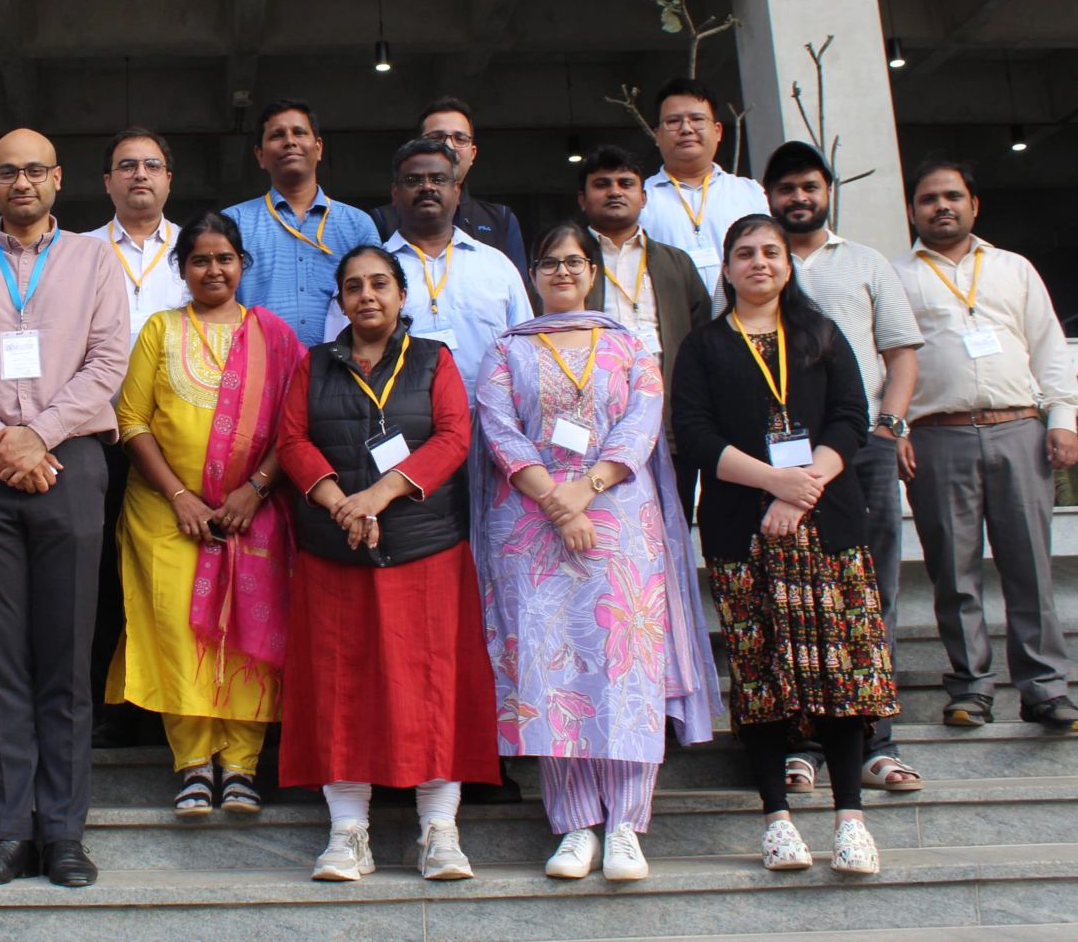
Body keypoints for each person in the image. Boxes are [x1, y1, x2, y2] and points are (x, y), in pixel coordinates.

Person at [472, 222, 719, 883]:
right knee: (551, 670)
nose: (562, 271)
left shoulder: (628, 344)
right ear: (532, 273)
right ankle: (575, 824)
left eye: (574, 261)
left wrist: (584, 491)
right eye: (549, 262)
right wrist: (556, 501)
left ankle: (627, 826)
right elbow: (499, 429)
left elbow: (642, 423)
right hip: (530, 526)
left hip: (619, 518)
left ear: (592, 271)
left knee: (624, 664)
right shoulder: (507, 349)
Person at [0, 128, 130, 890]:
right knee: (2, 661)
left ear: (58, 178)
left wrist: (38, 434)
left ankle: (64, 834)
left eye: (35, 170)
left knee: (66, 658)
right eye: (6, 172)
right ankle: (8, 833)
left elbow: (108, 359)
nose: (21, 182)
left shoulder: (94, 259)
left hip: (70, 460)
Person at [671, 214, 894, 877]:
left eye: (771, 251)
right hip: (742, 526)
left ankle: (850, 818)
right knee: (760, 673)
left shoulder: (820, 334)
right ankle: (777, 819)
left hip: (828, 525)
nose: (759, 262)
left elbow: (852, 417)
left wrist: (802, 489)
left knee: (841, 672)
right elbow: (695, 433)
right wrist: (774, 483)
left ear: (788, 264)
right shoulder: (706, 345)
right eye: (745, 253)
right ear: (727, 268)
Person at [275, 245, 500, 884]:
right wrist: (341, 503)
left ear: (402, 295)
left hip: (426, 549)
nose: (367, 295)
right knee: (339, 686)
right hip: (335, 550)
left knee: (434, 685)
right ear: (340, 301)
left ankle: (439, 831)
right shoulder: (314, 364)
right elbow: (292, 440)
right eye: (354, 287)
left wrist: (378, 495)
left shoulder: (434, 359)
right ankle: (348, 834)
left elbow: (453, 437)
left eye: (380, 284)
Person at [105, 211, 303, 817]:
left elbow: (296, 426)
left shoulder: (274, 336)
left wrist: (256, 490)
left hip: (254, 515)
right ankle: (192, 763)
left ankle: (240, 766)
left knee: (248, 633)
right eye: (199, 260)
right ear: (182, 269)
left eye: (224, 259)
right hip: (167, 515)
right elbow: (131, 419)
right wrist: (179, 496)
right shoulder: (160, 330)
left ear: (243, 264)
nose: (213, 270)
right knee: (177, 630)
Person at [893, 159, 1078, 733]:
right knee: (954, 574)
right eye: (929, 199)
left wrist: (1062, 418)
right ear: (912, 210)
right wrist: (894, 429)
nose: (942, 206)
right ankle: (971, 688)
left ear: (974, 205)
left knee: (1030, 567)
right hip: (938, 435)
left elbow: (1048, 345)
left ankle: (1045, 688)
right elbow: (885, 361)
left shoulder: (1013, 268)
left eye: (953, 196)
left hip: (1019, 429)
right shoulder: (896, 276)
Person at [764, 141, 927, 792]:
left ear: (827, 191)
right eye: (786, 189)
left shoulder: (865, 262)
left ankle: (875, 738)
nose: (799, 198)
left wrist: (890, 427)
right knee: (797, 594)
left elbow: (901, 351)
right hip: (783, 457)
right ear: (769, 198)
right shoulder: (762, 261)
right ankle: (806, 739)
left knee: (870, 590)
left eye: (809, 186)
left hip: (862, 448)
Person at [88, 126, 190, 747]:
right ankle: (110, 704)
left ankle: (172, 701)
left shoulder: (195, 250)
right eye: (127, 165)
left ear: (169, 179)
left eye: (152, 165)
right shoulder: (79, 250)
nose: (140, 175)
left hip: (173, 444)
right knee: (103, 574)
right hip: (97, 436)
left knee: (166, 575)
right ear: (108, 182)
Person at [328, 138, 530, 401]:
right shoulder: (366, 276)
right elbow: (338, 357)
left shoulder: (496, 265)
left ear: (457, 191)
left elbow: (526, 353)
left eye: (438, 179)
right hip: (395, 418)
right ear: (395, 193)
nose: (427, 187)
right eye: (413, 180)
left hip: (490, 418)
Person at [575, 146, 712, 518]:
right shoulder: (568, 262)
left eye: (625, 183)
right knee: (607, 529)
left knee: (673, 522)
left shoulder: (676, 262)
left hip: (669, 419)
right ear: (582, 200)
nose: (615, 191)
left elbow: (703, 340)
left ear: (643, 196)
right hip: (595, 425)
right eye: (602, 184)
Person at [225, 98, 380, 346]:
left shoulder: (358, 224)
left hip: (342, 365)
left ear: (319, 148)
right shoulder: (232, 223)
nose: (290, 141)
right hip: (258, 363)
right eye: (277, 135)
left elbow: (380, 299)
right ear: (260, 156)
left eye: (299, 132)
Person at [638, 77, 768, 298]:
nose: (686, 129)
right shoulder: (641, 199)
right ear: (657, 135)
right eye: (673, 121)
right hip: (672, 317)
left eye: (697, 119)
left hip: (743, 315)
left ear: (717, 131)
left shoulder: (750, 193)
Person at [371, 96, 529, 278]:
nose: (448, 146)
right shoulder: (382, 220)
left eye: (460, 139)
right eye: (436, 137)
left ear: (473, 154)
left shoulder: (500, 219)